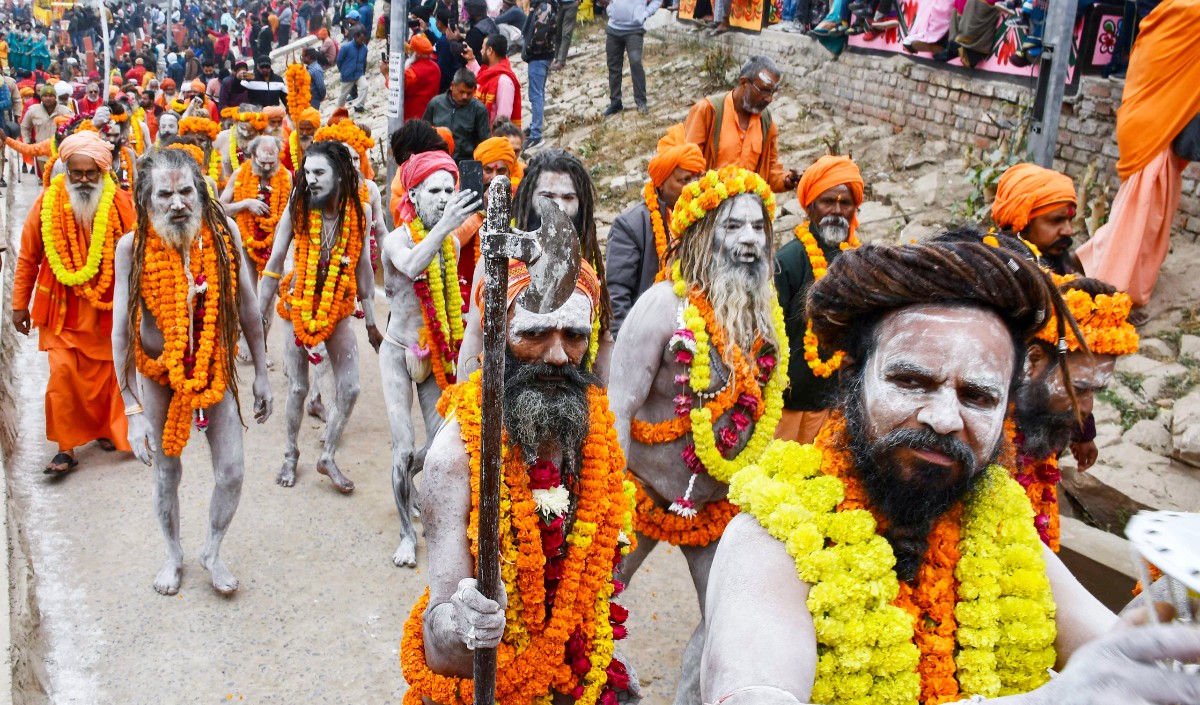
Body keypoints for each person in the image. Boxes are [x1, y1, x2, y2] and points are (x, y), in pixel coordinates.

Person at [700, 239, 1200, 705]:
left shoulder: (998, 528)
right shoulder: (768, 542)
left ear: (1006, 408)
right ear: (853, 377)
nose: (944, 419)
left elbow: (1115, 655)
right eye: (912, 382)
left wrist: (1180, 590)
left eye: (977, 397)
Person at [398, 258, 639, 705]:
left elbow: (596, 586)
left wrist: (602, 665)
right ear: (497, 337)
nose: (557, 355)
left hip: (571, 679)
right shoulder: (456, 456)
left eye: (573, 335)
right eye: (533, 334)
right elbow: (438, 645)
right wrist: (465, 622)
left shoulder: (595, 437)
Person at [607, 165, 784, 704]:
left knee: (728, 622)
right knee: (586, 598)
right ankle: (595, 686)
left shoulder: (764, 315)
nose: (749, 240)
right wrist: (607, 499)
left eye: (758, 227)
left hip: (714, 505)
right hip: (639, 494)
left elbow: (758, 411)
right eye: (734, 227)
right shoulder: (663, 305)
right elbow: (619, 402)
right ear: (705, 234)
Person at [111, 146, 272, 597]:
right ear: (147, 200)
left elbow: (247, 309)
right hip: (158, 376)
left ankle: (212, 552)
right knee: (166, 473)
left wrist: (260, 372)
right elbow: (121, 332)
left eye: (186, 191)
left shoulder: (224, 237)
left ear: (200, 194)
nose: (177, 203)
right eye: (165, 194)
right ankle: (172, 554)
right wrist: (132, 408)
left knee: (233, 471)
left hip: (215, 367)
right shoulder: (132, 247)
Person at [256, 141, 381, 493]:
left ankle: (327, 454)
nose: (310, 179)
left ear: (341, 174)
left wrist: (371, 321)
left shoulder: (361, 212)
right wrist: (259, 320)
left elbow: (363, 269)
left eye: (319, 172)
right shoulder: (297, 208)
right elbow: (275, 261)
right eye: (307, 172)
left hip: (338, 306)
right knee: (297, 387)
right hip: (297, 305)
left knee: (351, 387)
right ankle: (290, 453)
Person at [11, 132, 138, 475]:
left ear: (103, 173)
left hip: (109, 312)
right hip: (62, 313)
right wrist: (19, 304)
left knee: (111, 376)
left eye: (90, 173)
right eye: (76, 173)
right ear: (66, 172)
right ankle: (65, 449)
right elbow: (28, 258)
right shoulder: (46, 204)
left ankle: (108, 431)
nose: (83, 180)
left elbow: (141, 255)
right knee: (63, 377)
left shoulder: (122, 204)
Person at [379, 150, 479, 567]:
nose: (443, 198)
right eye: (433, 191)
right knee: (403, 450)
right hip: (398, 352)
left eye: (448, 190)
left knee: (440, 446)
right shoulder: (396, 239)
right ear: (413, 197)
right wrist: (444, 226)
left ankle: (415, 488)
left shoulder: (451, 242)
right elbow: (414, 268)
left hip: (436, 353)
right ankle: (406, 534)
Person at [1076, 0, 1200, 320]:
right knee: (1144, 213)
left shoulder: (1168, 15)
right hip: (1154, 126)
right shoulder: (1186, 14)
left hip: (1151, 120)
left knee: (1149, 211)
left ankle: (1096, 256)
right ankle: (1113, 291)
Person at [1008, 273, 1138, 551]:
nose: (1087, 407)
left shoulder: (1043, 406)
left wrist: (1084, 433)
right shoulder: (984, 420)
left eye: (1095, 391)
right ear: (1033, 361)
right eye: (1079, 389)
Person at [458, 149, 614, 377]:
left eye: (569, 198)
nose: (559, 207)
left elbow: (604, 339)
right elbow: (475, 334)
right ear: (529, 198)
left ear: (582, 204)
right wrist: (465, 402)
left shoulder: (590, 263)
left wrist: (605, 404)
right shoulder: (499, 260)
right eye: (548, 197)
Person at [774, 154, 863, 444]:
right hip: (787, 405)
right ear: (810, 206)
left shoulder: (860, 260)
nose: (836, 210)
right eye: (828, 201)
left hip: (838, 403)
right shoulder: (788, 260)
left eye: (845, 203)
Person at [605, 129, 704, 335]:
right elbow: (617, 295)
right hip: (647, 331)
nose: (692, 188)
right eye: (684, 180)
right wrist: (625, 344)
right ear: (661, 182)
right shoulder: (631, 225)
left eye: (697, 179)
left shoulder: (705, 220)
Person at [683, 56, 801, 193]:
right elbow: (688, 165)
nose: (769, 99)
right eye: (764, 90)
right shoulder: (708, 111)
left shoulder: (767, 123)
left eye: (772, 92)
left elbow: (770, 173)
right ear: (744, 82)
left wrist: (787, 180)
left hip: (748, 206)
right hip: (709, 204)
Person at [219, 135, 291, 277]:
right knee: (251, 287)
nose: (267, 167)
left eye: (272, 162)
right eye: (263, 162)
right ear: (252, 155)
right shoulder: (239, 175)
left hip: (276, 240)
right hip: (247, 239)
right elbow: (220, 208)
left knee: (274, 283)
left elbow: (290, 212)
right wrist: (246, 203)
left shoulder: (286, 176)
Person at [992, 162, 1078, 276]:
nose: (1068, 231)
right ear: (1022, 223)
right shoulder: (998, 271)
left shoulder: (1057, 267)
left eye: (1070, 220)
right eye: (1056, 220)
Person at [603, 0, 660, 116]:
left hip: (635, 29)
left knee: (635, 63)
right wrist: (608, 7)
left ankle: (641, 101)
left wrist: (645, 14)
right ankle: (615, 103)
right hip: (613, 27)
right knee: (613, 66)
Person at [423, 68, 491, 162]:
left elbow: (485, 142)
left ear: (474, 90)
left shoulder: (479, 110)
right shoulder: (435, 104)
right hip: (436, 160)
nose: (465, 96)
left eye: (469, 93)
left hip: (466, 162)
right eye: (461, 92)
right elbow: (424, 133)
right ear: (452, 86)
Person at [520, 0, 555, 149]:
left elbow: (540, 36)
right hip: (541, 57)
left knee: (536, 95)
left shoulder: (544, 7)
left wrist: (528, 51)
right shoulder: (541, 6)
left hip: (539, 57)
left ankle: (536, 135)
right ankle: (535, 125)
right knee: (537, 93)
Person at [470, 33, 521, 126]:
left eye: (483, 48)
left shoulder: (504, 81)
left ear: (489, 50)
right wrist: (471, 60)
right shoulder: (486, 71)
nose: (481, 51)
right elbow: (479, 80)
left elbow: (503, 119)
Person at [20, 85, 69, 173]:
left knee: (59, 180)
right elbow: (24, 127)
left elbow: (73, 128)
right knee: (46, 179)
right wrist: (27, 142)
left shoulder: (65, 111)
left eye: (51, 96)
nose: (48, 98)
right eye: (45, 96)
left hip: (60, 152)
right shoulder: (33, 111)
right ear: (41, 97)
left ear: (55, 97)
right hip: (42, 152)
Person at [92, 104, 140, 191]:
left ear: (121, 134)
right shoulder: (93, 154)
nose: (112, 139)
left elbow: (135, 182)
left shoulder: (129, 154)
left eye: (116, 135)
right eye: (108, 135)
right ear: (100, 133)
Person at [403, 34, 440, 121]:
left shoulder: (412, 72)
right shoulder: (436, 67)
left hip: (412, 117)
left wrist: (386, 74)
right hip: (430, 115)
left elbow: (396, 86)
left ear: (418, 54)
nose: (409, 52)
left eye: (411, 49)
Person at [335, 27, 369, 113]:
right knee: (343, 96)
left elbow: (364, 61)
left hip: (359, 74)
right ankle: (338, 111)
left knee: (365, 86)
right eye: (361, 39)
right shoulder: (346, 47)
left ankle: (359, 106)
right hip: (347, 75)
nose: (362, 42)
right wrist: (343, 71)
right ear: (355, 37)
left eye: (364, 40)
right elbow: (339, 60)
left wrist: (362, 72)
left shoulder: (364, 48)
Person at [282, 107, 321, 172]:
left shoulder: (322, 146)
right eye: (301, 129)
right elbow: (283, 172)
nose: (304, 133)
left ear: (315, 129)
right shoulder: (287, 146)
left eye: (308, 129)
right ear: (296, 127)